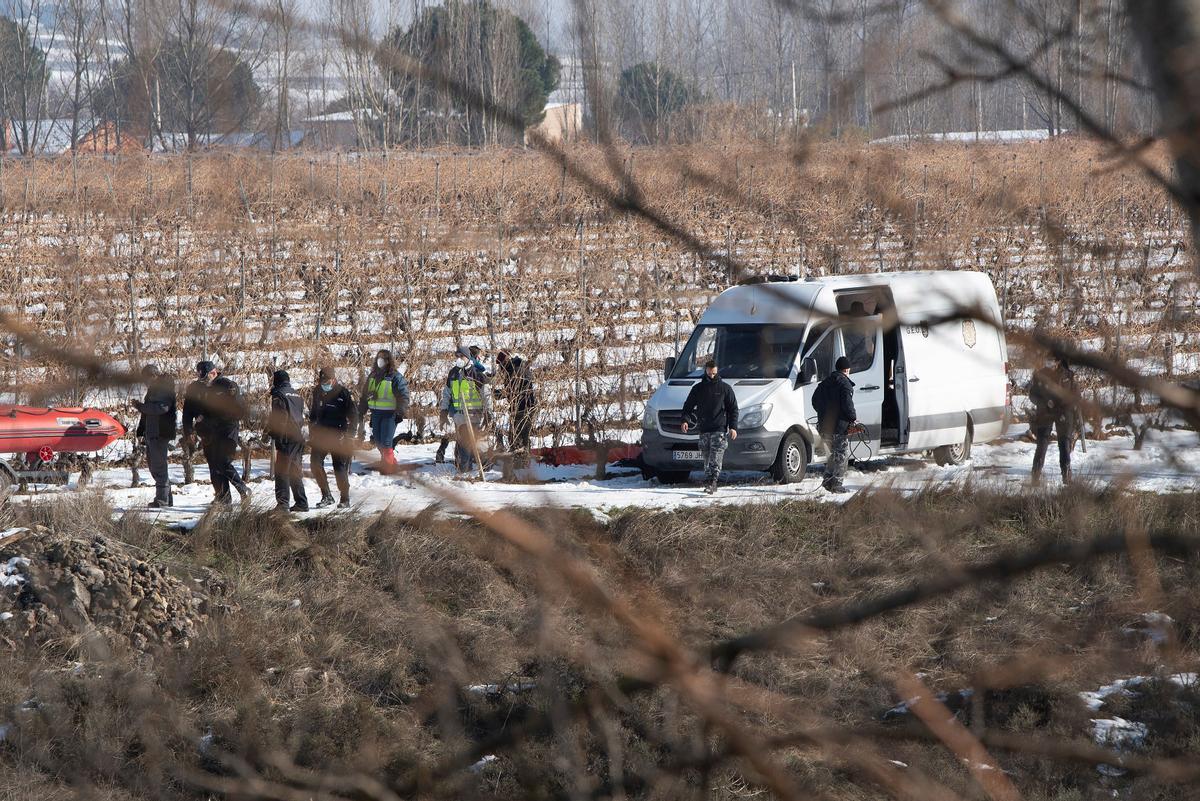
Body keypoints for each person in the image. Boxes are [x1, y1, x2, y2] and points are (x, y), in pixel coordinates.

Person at [182, 360, 251, 505]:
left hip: (227, 428)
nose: (204, 383)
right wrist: (188, 431)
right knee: (213, 464)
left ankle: (242, 487)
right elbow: (188, 411)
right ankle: (223, 496)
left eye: (206, 379)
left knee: (223, 461)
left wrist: (213, 417)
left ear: (214, 373)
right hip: (207, 431)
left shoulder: (227, 386)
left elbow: (239, 411)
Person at [680, 359, 739, 494]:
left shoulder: (725, 388)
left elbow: (733, 409)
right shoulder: (698, 389)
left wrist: (733, 426)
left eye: (714, 373)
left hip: (719, 429)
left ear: (717, 371)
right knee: (706, 456)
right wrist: (685, 420)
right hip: (704, 428)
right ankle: (709, 480)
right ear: (705, 371)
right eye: (709, 373)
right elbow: (688, 406)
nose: (712, 376)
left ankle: (713, 481)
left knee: (716, 455)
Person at [439, 345, 491, 474]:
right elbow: (447, 393)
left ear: (468, 358)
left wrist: (488, 412)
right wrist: (444, 411)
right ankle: (465, 469)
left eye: (461, 356)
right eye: (457, 356)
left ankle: (477, 467)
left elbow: (486, 395)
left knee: (473, 442)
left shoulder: (476, 373)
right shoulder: (453, 373)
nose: (459, 359)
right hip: (459, 415)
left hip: (474, 414)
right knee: (464, 443)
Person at [310, 367, 356, 508]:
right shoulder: (318, 391)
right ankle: (326, 496)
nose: (324, 383)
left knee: (339, 468)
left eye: (327, 381)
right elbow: (313, 413)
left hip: (339, 436)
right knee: (315, 464)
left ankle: (345, 498)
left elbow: (354, 417)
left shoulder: (344, 393)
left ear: (334, 379)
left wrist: (350, 436)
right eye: (322, 381)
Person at [358, 349, 411, 473]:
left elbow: (403, 395)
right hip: (376, 413)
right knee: (378, 440)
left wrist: (400, 412)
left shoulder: (395, 376)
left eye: (383, 359)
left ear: (389, 361)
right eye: (379, 358)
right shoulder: (372, 376)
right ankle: (389, 462)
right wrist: (362, 409)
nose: (380, 361)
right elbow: (365, 395)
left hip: (390, 414)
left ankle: (390, 467)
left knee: (386, 442)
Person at [132, 364, 176, 508]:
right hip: (152, 432)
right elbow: (148, 413)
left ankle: (162, 500)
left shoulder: (163, 388)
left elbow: (161, 408)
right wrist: (141, 430)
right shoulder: (154, 389)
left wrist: (140, 406)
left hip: (160, 433)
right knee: (154, 466)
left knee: (159, 467)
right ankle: (166, 499)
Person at [812, 355, 857, 493]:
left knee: (832, 456)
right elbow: (847, 405)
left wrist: (823, 414)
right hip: (839, 427)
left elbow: (815, 401)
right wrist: (853, 418)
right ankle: (837, 484)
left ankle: (827, 481)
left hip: (825, 426)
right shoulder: (844, 384)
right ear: (847, 369)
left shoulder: (824, 383)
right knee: (841, 456)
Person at [1029, 358, 1076, 485]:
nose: (1051, 363)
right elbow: (1032, 394)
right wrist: (1044, 403)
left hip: (1064, 413)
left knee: (1064, 443)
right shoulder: (1040, 375)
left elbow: (1076, 395)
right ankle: (1035, 476)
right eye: (1049, 360)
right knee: (1042, 443)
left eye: (1054, 361)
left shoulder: (1068, 375)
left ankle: (1066, 476)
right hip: (1045, 412)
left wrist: (1065, 406)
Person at [268, 370, 308, 512]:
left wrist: (275, 433)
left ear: (276, 381)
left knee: (281, 472)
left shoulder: (278, 395)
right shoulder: (297, 395)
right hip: (298, 437)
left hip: (286, 437)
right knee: (294, 471)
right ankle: (302, 503)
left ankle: (282, 504)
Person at [495, 350, 536, 461]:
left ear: (505, 362)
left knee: (516, 437)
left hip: (522, 407)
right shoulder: (518, 367)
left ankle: (521, 462)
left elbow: (512, 391)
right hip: (526, 406)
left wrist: (498, 393)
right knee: (523, 436)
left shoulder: (515, 370)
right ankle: (523, 461)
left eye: (501, 365)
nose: (500, 369)